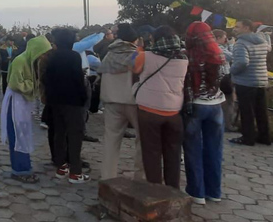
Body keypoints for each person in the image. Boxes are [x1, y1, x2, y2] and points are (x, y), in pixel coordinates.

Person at [132, 25, 189, 189]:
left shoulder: (145, 56)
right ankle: (173, 188)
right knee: (173, 152)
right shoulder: (184, 59)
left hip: (148, 110)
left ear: (155, 40)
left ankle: (155, 189)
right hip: (174, 111)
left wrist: (140, 48)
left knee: (151, 152)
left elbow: (133, 67)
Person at [183, 22, 226, 205]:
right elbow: (224, 75)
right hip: (216, 106)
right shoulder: (219, 55)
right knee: (214, 150)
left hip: (195, 107)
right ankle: (214, 192)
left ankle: (197, 192)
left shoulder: (187, 56)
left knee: (193, 150)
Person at [1, 35, 53, 182]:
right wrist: (32, 84)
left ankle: (25, 166)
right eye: (43, 53)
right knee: (17, 135)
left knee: (23, 133)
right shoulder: (20, 61)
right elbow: (15, 84)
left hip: (23, 101)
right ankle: (19, 170)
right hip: (15, 101)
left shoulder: (32, 62)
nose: (44, 57)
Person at [42, 28, 90, 183]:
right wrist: (83, 98)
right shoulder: (74, 57)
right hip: (73, 101)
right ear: (71, 42)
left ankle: (61, 167)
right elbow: (77, 79)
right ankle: (76, 172)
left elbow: (46, 78)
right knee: (75, 135)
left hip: (55, 101)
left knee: (59, 134)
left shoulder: (51, 57)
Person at [98, 23, 144, 181]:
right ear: (135, 39)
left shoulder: (108, 54)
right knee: (142, 140)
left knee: (111, 140)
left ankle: (107, 178)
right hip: (133, 103)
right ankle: (140, 176)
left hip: (111, 102)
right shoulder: (137, 55)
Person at [229, 19, 271, 146]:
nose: (234, 29)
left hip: (246, 81)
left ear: (246, 28)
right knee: (261, 111)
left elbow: (242, 62)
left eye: (237, 27)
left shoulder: (241, 43)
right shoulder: (262, 41)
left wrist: (231, 71)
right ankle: (264, 137)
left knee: (247, 111)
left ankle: (248, 137)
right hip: (261, 79)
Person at [212, 29, 236, 131]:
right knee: (228, 102)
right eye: (224, 38)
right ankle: (227, 125)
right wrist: (231, 45)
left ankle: (218, 123)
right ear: (218, 38)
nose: (226, 40)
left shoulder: (209, 47)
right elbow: (233, 57)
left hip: (216, 78)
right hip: (224, 78)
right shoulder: (219, 48)